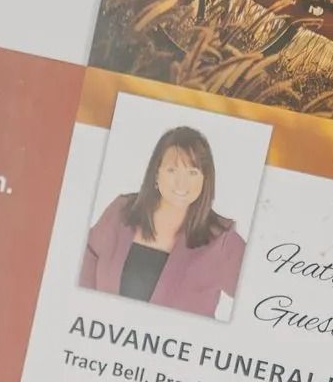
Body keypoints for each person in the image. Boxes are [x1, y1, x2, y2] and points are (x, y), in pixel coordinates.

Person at [81, 125, 245, 316]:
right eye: (172, 170)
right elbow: (83, 271)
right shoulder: (121, 211)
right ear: (156, 173)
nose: (181, 183)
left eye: (193, 172)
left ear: (205, 180)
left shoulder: (222, 241)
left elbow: (261, 294)